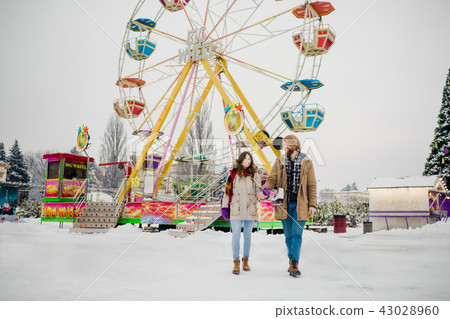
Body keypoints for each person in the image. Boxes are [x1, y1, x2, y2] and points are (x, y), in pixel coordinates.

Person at [263, 135, 317, 278]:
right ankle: (291, 260)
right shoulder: (279, 161)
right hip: (284, 204)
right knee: (288, 235)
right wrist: (267, 188)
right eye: (284, 144)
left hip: (301, 204)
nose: (285, 146)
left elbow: (311, 184)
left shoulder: (307, 162)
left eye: (287, 144)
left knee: (297, 234)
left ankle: (294, 263)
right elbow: (272, 179)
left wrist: (312, 205)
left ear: (295, 145)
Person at [221, 151, 263, 275]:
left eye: (249, 159)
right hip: (236, 208)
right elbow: (227, 192)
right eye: (245, 159)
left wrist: (265, 194)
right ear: (240, 160)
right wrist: (224, 207)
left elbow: (258, 191)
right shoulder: (233, 174)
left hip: (250, 208)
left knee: (248, 236)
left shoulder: (254, 174)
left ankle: (245, 260)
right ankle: (236, 262)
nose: (247, 161)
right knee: (236, 236)